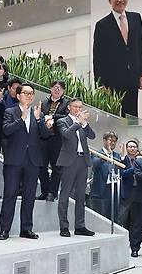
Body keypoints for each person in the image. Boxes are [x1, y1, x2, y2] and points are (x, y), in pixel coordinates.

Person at [0, 83, 50, 241]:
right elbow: (6, 130)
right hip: (14, 159)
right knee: (10, 194)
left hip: (32, 160)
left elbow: (45, 135)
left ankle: (26, 229)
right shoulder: (10, 112)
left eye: (31, 93)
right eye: (25, 93)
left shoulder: (37, 113)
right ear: (18, 96)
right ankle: (4, 229)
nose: (29, 96)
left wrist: (40, 120)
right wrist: (22, 119)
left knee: (29, 196)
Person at [93, 0, 142, 117]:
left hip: (132, 76)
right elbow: (98, 56)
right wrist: (100, 83)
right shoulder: (102, 25)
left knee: (131, 113)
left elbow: (141, 46)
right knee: (112, 114)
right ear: (110, 0)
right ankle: (112, 138)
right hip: (111, 80)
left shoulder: (136, 18)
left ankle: (131, 138)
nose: (120, 0)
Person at [56, 98, 96, 238]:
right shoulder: (63, 121)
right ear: (69, 108)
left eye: (80, 107)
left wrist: (84, 123)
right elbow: (66, 135)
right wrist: (78, 122)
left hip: (83, 160)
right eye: (75, 107)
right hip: (69, 161)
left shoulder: (83, 123)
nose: (78, 109)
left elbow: (92, 135)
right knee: (65, 195)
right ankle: (64, 226)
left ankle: (80, 226)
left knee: (81, 195)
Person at [38, 80, 69, 201]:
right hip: (44, 138)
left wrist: (52, 118)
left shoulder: (66, 103)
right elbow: (39, 116)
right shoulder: (44, 102)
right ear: (50, 89)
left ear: (63, 91)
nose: (57, 89)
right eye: (55, 87)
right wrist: (44, 120)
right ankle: (45, 191)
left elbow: (67, 117)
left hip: (57, 139)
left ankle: (52, 193)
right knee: (42, 166)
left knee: (57, 167)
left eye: (60, 88)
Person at [89, 132, 121, 220]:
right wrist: (104, 158)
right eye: (110, 140)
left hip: (114, 189)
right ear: (104, 140)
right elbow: (94, 165)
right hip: (101, 190)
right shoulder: (96, 153)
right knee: (100, 217)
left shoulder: (117, 155)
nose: (113, 143)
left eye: (114, 141)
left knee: (113, 216)